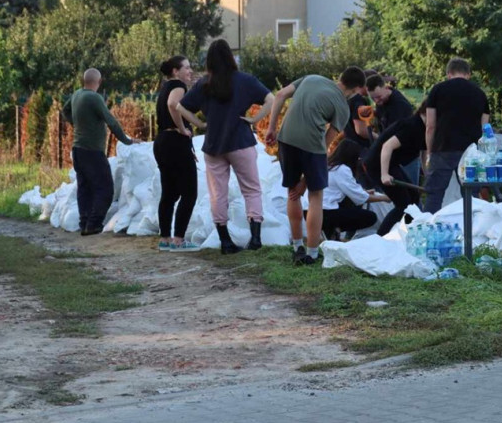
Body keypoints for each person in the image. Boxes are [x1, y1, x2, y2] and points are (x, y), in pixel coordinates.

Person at [178, 39, 274, 254]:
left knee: (217, 194)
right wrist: (255, 119)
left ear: (209, 60)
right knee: (251, 189)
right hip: (241, 142)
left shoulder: (203, 84)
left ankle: (225, 242)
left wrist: (201, 124)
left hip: (213, 145)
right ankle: (256, 239)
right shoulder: (245, 80)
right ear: (230, 57)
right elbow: (271, 98)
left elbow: (180, 106)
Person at [266, 67, 365, 265]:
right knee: (315, 197)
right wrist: (307, 179)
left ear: (340, 78)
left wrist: (271, 128)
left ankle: (296, 246)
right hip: (312, 145)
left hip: (286, 138)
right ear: (355, 90)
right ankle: (311, 253)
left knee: (292, 193)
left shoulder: (311, 78)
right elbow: (327, 142)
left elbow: (280, 95)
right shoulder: (343, 108)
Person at [62, 68, 136, 235]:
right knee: (105, 188)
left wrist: (77, 124)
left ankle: (84, 223)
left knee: (85, 188)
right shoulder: (94, 98)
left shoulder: (77, 95)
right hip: (92, 151)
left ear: (84, 80)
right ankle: (94, 224)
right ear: (99, 82)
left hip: (78, 150)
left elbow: (65, 111)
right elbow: (111, 121)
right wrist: (127, 140)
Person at [423, 58, 490, 214]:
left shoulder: (437, 90)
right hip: (471, 152)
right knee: (471, 195)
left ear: (448, 74)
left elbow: (430, 126)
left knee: (434, 195)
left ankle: (428, 229)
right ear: (468, 74)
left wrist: (429, 151)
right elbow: (485, 128)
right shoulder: (479, 94)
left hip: (442, 148)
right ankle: (472, 230)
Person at [153, 56, 200, 252]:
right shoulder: (179, 86)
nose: (190, 71)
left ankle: (165, 238)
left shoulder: (164, 87)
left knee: (169, 193)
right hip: (175, 142)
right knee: (189, 192)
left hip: (162, 142)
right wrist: (181, 128)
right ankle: (179, 240)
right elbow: (174, 105)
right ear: (175, 71)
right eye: (186, 68)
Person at [364, 104, 427, 236]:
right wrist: (384, 174)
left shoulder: (425, 128)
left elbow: (423, 151)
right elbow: (387, 146)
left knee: (413, 198)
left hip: (392, 164)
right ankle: (380, 238)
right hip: (377, 164)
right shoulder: (411, 126)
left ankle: (408, 234)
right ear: (426, 113)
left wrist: (426, 173)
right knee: (403, 204)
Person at [320, 140, 389, 241]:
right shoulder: (342, 169)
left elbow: (352, 192)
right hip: (326, 213)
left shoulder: (328, 166)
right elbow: (360, 198)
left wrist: (364, 192)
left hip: (314, 210)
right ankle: (332, 228)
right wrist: (384, 198)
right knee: (370, 217)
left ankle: (333, 230)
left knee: (351, 203)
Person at [367, 73, 416, 182]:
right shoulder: (381, 102)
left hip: (407, 155)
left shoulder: (400, 106)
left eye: (379, 97)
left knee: (411, 192)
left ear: (386, 87)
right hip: (392, 153)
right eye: (373, 98)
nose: (376, 101)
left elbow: (399, 134)